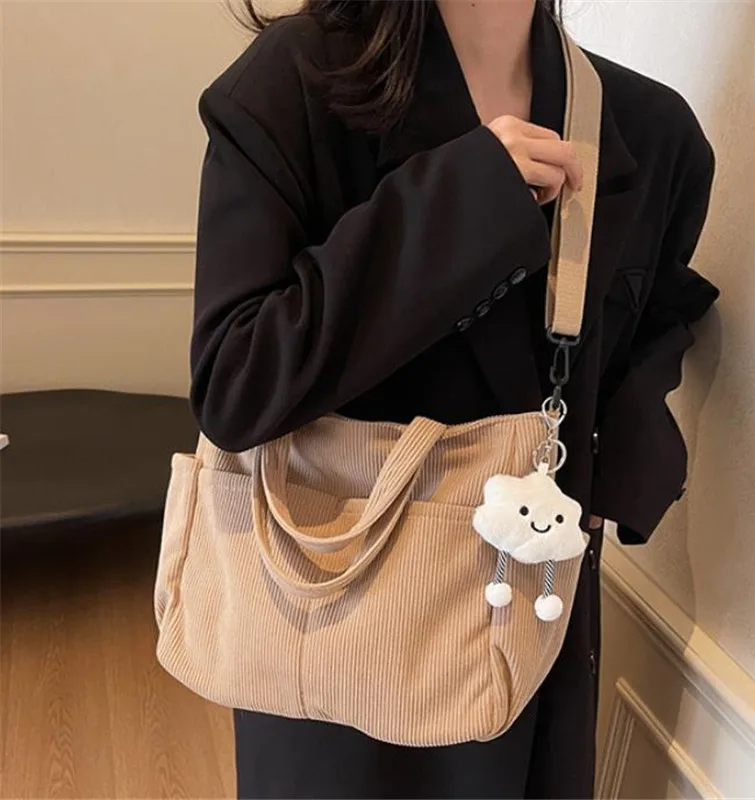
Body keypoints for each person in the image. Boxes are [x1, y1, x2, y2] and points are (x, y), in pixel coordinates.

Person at [189, 0, 719, 796]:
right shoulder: (295, 84)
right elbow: (237, 380)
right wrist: (463, 200)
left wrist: (618, 476)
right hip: (334, 636)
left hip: (530, 627)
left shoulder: (651, 131)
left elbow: (656, 322)